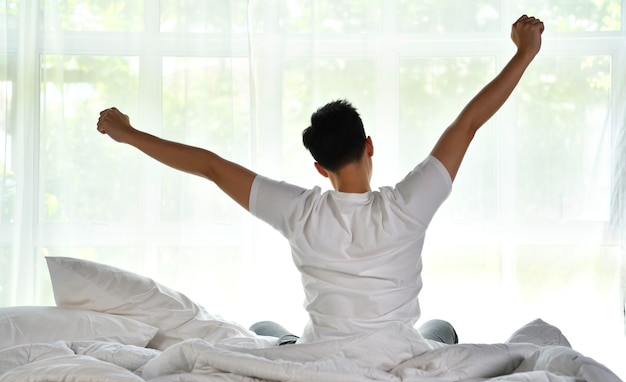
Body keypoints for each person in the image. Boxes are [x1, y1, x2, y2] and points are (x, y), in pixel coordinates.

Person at [97, 15, 544, 346]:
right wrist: (524, 53)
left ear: (319, 168)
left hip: (321, 355)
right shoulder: (408, 204)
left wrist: (129, 135)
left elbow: (211, 166)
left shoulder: (299, 212)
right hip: (395, 354)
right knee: (440, 330)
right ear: (369, 146)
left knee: (263, 331)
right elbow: (467, 124)